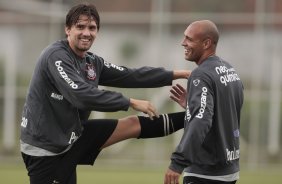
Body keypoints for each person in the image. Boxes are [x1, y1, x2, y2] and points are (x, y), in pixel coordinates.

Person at [20, 3, 190, 184]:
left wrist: (180, 74)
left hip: (72, 136)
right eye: (80, 27)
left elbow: (131, 75)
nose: (87, 33)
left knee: (132, 124)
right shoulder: (56, 56)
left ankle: (192, 116)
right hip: (45, 148)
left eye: (92, 28)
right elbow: (81, 95)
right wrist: (129, 102)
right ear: (67, 29)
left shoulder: (92, 62)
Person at [164, 20, 244, 184]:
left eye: (189, 39)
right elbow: (224, 110)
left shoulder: (201, 75)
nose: (183, 43)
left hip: (205, 172)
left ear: (206, 43)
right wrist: (193, 107)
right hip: (229, 169)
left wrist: (178, 163)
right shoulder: (230, 70)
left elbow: (201, 120)